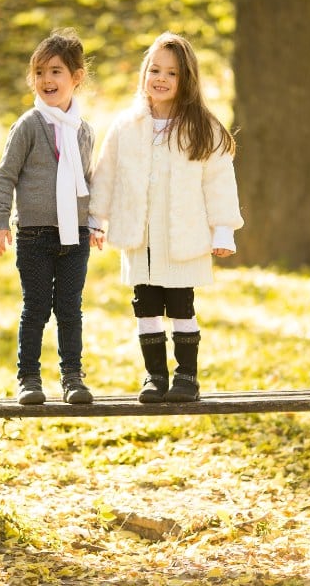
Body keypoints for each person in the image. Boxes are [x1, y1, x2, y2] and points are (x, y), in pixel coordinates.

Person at [90, 32, 244, 403]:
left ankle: (186, 377)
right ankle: (154, 377)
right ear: (144, 73)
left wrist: (222, 231)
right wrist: (96, 219)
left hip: (182, 240)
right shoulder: (126, 127)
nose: (160, 78)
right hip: (140, 239)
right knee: (145, 309)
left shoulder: (201, 129)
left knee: (180, 308)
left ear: (186, 80)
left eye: (171, 73)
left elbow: (219, 182)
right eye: (154, 69)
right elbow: (106, 174)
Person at [0, 29, 104, 405]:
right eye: (39, 72)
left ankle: (73, 377)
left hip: (75, 236)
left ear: (77, 77)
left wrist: (96, 223)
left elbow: (88, 181)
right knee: (36, 308)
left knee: (70, 309)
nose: (46, 80)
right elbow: (6, 175)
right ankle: (29, 378)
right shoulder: (28, 126)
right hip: (35, 236)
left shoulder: (83, 131)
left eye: (55, 71)